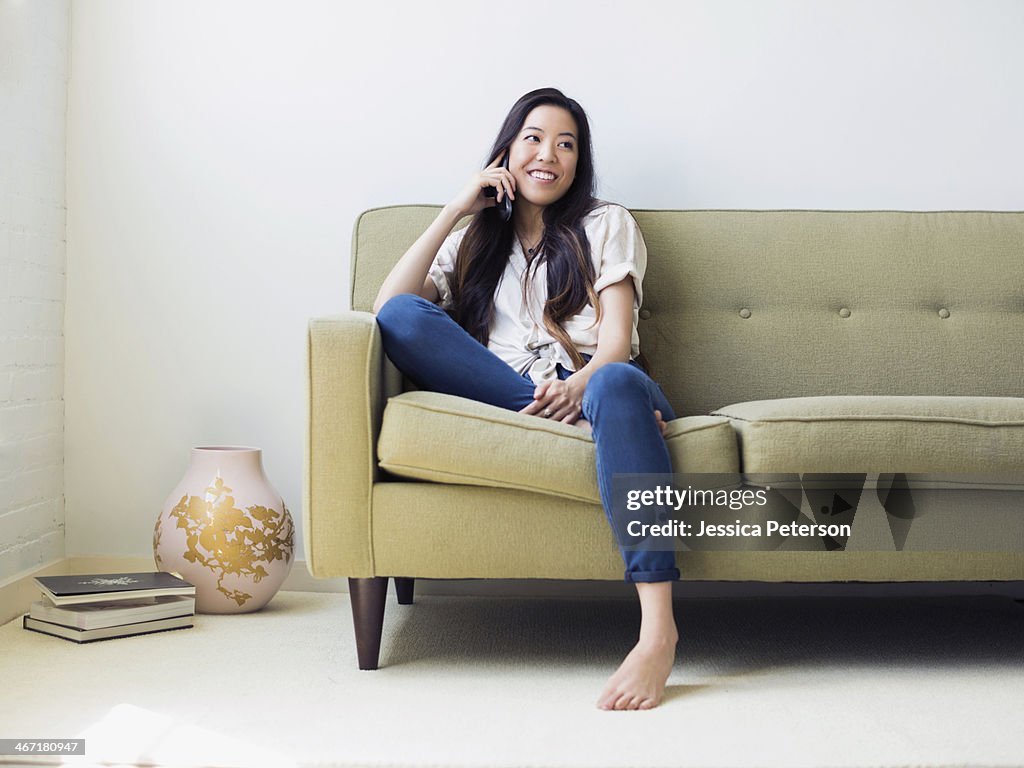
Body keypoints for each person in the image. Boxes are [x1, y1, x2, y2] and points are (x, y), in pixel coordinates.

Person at [373, 87, 679, 711]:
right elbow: (389, 310)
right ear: (507, 151)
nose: (549, 155)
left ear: (579, 163)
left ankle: (657, 634)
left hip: (600, 381)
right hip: (517, 398)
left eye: (566, 144)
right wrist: (458, 208)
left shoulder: (605, 224)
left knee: (617, 385)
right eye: (534, 139)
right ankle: (599, 430)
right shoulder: (475, 244)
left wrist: (580, 386)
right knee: (406, 316)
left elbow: (616, 343)